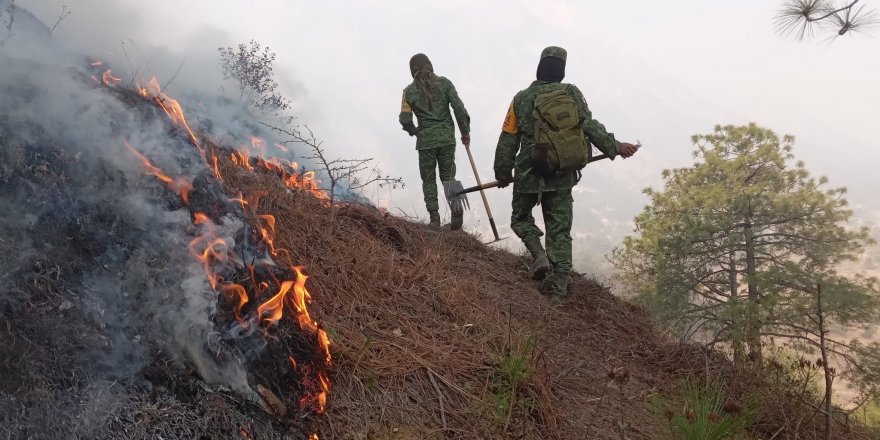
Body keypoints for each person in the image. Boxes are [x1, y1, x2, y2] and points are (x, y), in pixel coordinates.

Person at [493, 46, 639, 297]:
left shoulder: (520, 98)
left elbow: (508, 138)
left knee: (520, 218)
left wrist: (503, 173)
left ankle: (538, 255)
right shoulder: (571, 92)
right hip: (562, 172)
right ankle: (559, 288)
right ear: (562, 71)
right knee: (559, 230)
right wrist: (615, 147)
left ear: (539, 68)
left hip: (529, 173)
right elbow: (589, 125)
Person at [399, 53, 471, 229]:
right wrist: (465, 133)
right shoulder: (445, 83)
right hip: (447, 138)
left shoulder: (408, 91)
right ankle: (456, 210)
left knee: (428, 179)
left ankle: (434, 220)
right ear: (430, 64)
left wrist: (415, 132)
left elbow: (405, 119)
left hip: (426, 142)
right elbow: (459, 109)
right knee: (448, 176)